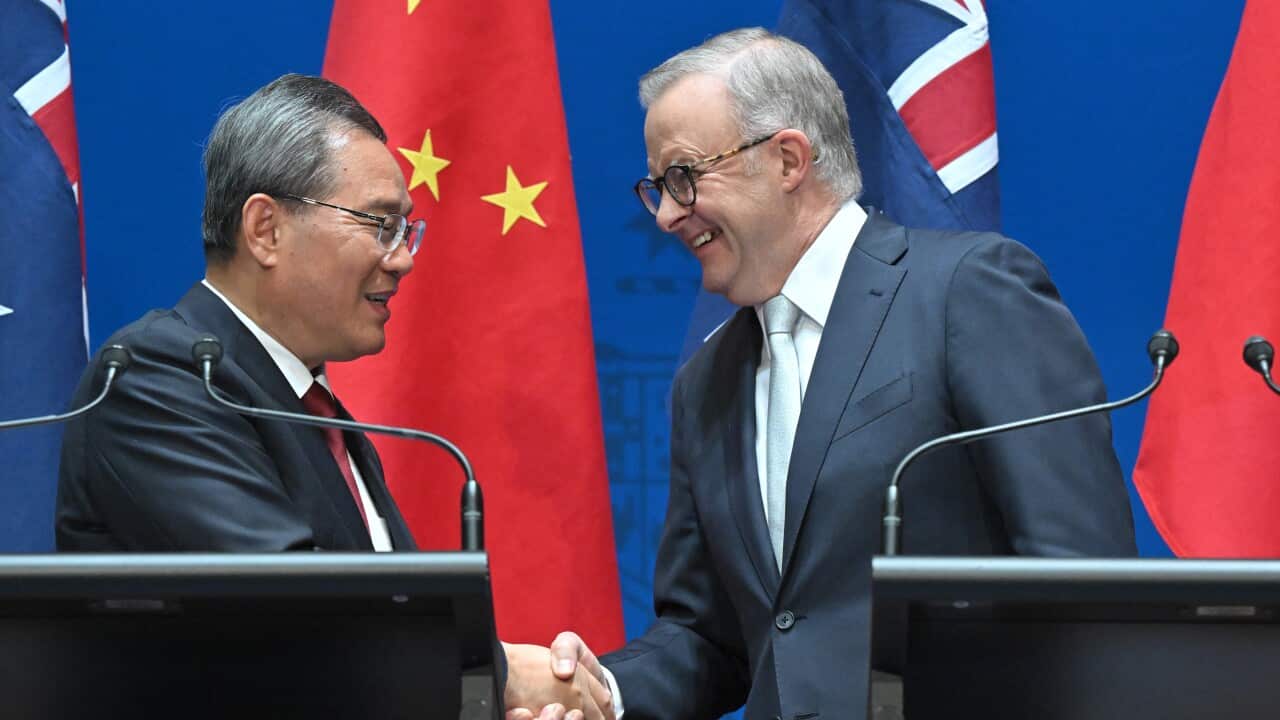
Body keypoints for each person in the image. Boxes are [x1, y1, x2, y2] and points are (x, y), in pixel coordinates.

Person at [532, 27, 1137, 720]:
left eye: (684, 177)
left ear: (788, 159)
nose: (669, 214)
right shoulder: (705, 383)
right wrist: (600, 692)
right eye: (658, 187)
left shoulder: (966, 291)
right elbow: (712, 640)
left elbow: (1082, 582)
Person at [55, 74, 610, 720]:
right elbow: (298, 612)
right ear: (265, 229)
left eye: (406, 231)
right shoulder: (157, 380)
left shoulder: (312, 410)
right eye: (380, 225)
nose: (401, 260)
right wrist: (502, 672)